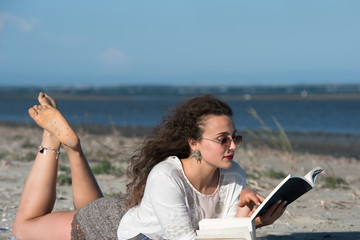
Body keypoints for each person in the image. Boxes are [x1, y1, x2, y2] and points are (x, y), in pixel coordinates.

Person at [12, 93, 286, 240]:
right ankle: (51, 138)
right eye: (222, 139)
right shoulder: (166, 176)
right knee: (22, 228)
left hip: (132, 215)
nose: (233, 146)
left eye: (234, 136)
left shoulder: (233, 174)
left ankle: (73, 148)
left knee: (89, 209)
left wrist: (249, 221)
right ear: (194, 143)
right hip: (111, 231)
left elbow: (219, 233)